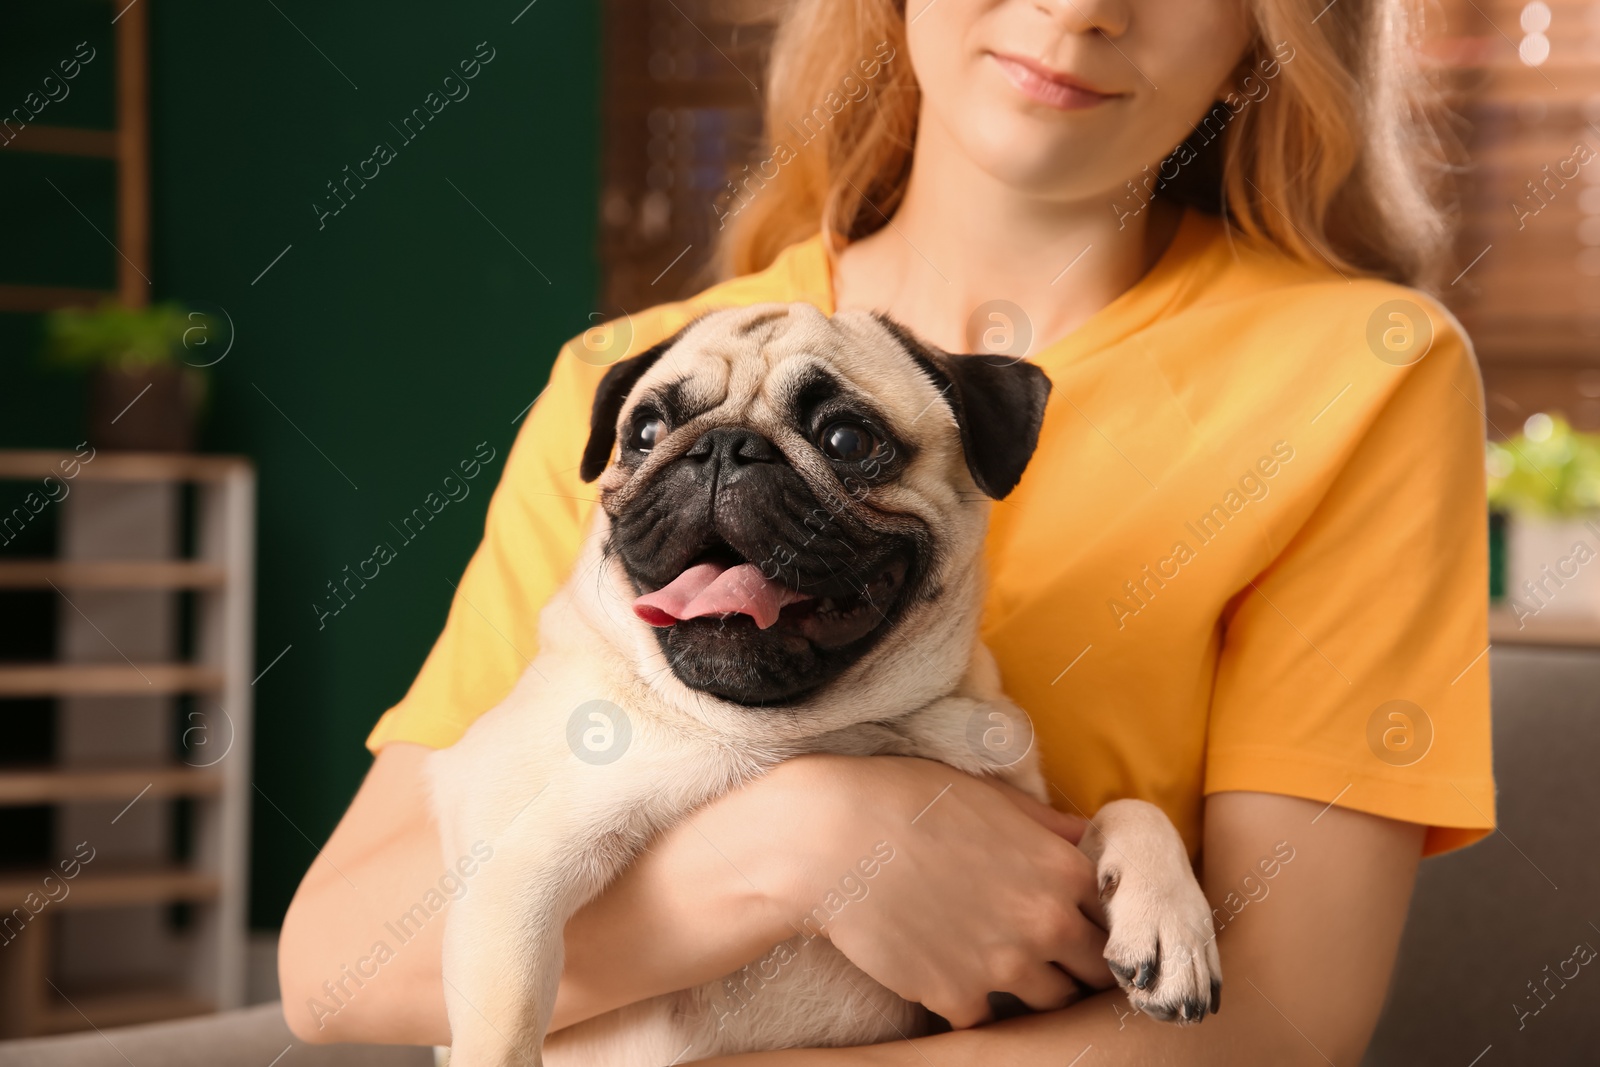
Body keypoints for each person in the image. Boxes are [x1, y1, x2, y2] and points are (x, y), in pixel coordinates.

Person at [280, 0, 1496, 1061]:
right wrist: (807, 843)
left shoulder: (1360, 374)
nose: (1076, 7)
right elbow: (338, 964)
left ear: (1269, 28)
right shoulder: (621, 379)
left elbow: (1283, 1029)